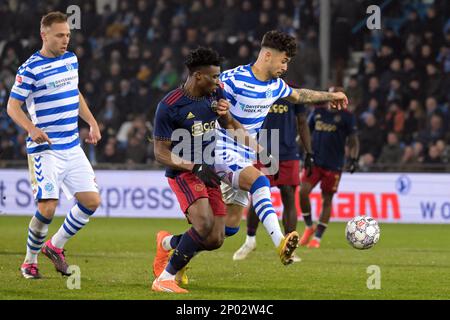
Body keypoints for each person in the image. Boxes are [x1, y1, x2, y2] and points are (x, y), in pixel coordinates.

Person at [218, 30, 348, 264]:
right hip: (219, 151)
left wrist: (330, 96)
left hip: (244, 156)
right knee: (260, 182)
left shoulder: (276, 86)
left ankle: (169, 246)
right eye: (284, 60)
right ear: (267, 55)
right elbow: (202, 100)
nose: (286, 67)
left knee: (220, 233)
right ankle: (280, 241)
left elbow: (300, 96)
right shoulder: (232, 79)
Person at [151, 47, 262, 293]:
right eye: (214, 77)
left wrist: (258, 149)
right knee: (203, 224)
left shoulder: (216, 94)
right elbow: (160, 153)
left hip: (209, 169)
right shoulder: (169, 106)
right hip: (184, 172)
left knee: (215, 239)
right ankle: (164, 279)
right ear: (198, 76)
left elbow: (231, 124)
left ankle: (166, 243)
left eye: (219, 76)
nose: (218, 82)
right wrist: (194, 166)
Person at [6, 12, 101, 279]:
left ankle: (55, 246)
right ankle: (29, 261)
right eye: (60, 35)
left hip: (72, 146)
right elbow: (12, 106)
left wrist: (92, 122)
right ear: (44, 35)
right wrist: (31, 128)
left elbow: (76, 93)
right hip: (45, 149)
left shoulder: (71, 60)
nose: (65, 40)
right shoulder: (29, 69)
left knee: (91, 202)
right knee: (47, 206)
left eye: (68, 35)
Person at [232, 96, 313, 262]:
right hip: (263, 151)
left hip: (288, 153)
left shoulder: (293, 94)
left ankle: (289, 247)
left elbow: (302, 122)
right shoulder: (259, 91)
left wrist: (309, 152)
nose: (281, 68)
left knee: (289, 196)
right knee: (258, 195)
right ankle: (250, 240)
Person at [299, 87, 359, 248]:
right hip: (315, 161)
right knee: (303, 191)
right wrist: (303, 152)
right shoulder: (318, 113)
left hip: (334, 164)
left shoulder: (347, 117)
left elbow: (353, 139)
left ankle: (317, 238)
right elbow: (305, 132)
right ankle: (309, 225)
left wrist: (354, 158)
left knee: (327, 200)